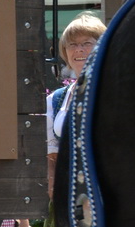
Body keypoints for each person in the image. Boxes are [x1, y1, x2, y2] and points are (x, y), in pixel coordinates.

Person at [45, 12, 107, 196]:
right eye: (72, 44)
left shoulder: (114, 92)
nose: (78, 49)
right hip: (69, 195)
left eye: (87, 43)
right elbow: (52, 154)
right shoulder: (56, 99)